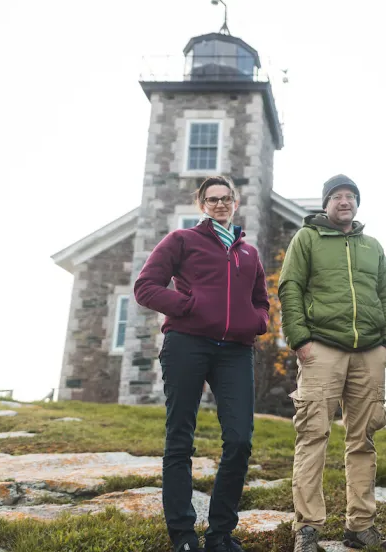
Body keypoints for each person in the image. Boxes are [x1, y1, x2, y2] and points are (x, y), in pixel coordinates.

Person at [134, 175, 270, 552]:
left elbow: (262, 301)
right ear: (202, 205)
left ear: (236, 202)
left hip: (235, 351)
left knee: (240, 440)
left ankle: (220, 534)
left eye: (226, 198)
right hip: (187, 344)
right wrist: (189, 307)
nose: (220, 204)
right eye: (212, 199)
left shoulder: (249, 253)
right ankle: (182, 534)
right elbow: (146, 287)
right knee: (180, 438)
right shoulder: (182, 241)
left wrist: (257, 321)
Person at [279, 174, 386, 552]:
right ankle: (308, 528)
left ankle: (360, 526)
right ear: (326, 204)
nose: (344, 202)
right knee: (313, 434)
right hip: (321, 348)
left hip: (370, 352)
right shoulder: (307, 238)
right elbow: (290, 286)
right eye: (337, 197)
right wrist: (300, 340)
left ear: (356, 204)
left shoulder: (372, 246)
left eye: (350, 197)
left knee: (363, 439)